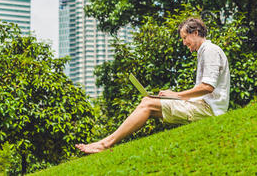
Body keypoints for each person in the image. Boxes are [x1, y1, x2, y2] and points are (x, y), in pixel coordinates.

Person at [75, 17, 230, 154]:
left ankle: (104, 144)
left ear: (195, 32)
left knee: (148, 104)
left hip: (209, 110)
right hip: (200, 105)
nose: (184, 43)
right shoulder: (204, 52)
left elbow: (207, 87)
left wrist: (176, 95)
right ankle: (104, 143)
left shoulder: (210, 50)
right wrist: (175, 97)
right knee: (148, 102)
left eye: (184, 38)